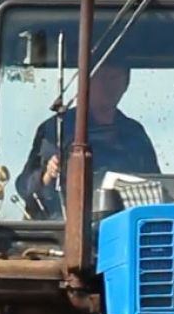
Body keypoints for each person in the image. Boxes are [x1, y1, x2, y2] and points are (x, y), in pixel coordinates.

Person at [15, 61, 160, 219]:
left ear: (126, 84)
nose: (109, 85)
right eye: (102, 77)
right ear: (86, 81)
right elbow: (24, 185)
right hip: (62, 232)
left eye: (115, 77)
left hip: (126, 230)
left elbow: (156, 186)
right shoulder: (56, 129)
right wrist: (47, 175)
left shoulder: (134, 133)